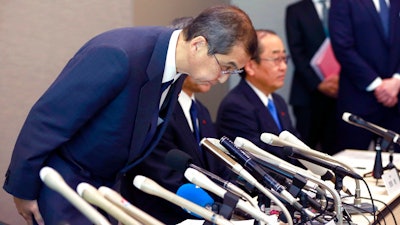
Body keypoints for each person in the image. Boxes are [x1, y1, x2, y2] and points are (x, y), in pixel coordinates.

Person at [3, 5, 257, 225]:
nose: (223, 77)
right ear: (199, 44)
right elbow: (48, 120)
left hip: (107, 190)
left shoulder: (175, 69)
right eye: (226, 66)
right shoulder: (120, 54)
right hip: (65, 186)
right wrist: (23, 190)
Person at [120, 16, 234, 225]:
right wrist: (212, 209)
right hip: (161, 216)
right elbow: (161, 173)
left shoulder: (201, 111)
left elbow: (215, 166)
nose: (219, 73)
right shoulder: (156, 106)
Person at [216, 29, 299, 163]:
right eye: (276, 59)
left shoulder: (278, 102)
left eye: (284, 58)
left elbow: (297, 148)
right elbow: (258, 160)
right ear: (250, 66)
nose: (283, 67)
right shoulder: (236, 106)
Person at [329, 0, 400, 152]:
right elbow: (342, 46)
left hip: (397, 100)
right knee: (351, 166)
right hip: (358, 99)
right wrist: (377, 84)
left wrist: (397, 80)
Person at [285, 0, 339, 155]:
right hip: (307, 93)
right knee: (304, 151)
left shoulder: (341, 6)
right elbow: (296, 52)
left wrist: (339, 79)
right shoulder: (295, 10)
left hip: (339, 92)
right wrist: (318, 84)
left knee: (335, 151)